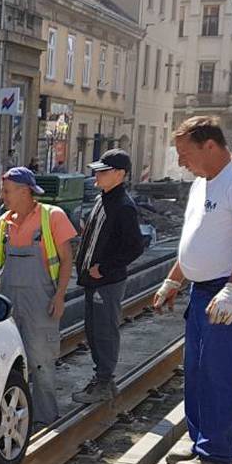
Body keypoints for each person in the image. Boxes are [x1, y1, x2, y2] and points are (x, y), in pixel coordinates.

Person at [153, 116, 232, 464]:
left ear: (210, 145)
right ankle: (202, 439)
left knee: (221, 373)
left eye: (185, 153)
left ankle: (218, 455)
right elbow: (198, 237)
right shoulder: (203, 183)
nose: (180, 162)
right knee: (199, 371)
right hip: (203, 289)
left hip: (230, 288)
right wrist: (173, 280)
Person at [0, 166, 77, 427]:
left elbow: (66, 260)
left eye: (6, 190)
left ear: (24, 191)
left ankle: (46, 419)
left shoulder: (52, 217)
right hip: (10, 303)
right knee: (12, 364)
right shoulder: (3, 222)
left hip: (42, 301)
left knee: (41, 362)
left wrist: (60, 295)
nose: (2, 195)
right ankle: (20, 419)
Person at [71, 149, 146, 405]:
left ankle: (104, 381)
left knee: (104, 330)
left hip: (106, 281)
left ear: (119, 174)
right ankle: (102, 380)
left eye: (102, 171)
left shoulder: (123, 206)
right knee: (94, 330)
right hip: (95, 280)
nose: (96, 175)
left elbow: (135, 247)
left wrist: (104, 268)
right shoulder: (104, 198)